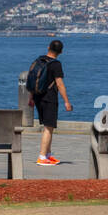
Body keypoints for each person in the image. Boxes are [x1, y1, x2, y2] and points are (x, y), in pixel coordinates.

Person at [27, 39, 72, 168]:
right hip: (49, 98)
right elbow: (59, 84)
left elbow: (31, 79)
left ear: (48, 47)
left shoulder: (38, 60)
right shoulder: (56, 64)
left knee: (49, 126)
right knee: (48, 127)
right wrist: (67, 101)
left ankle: (48, 155)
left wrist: (31, 97)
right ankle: (42, 156)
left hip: (37, 97)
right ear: (61, 52)